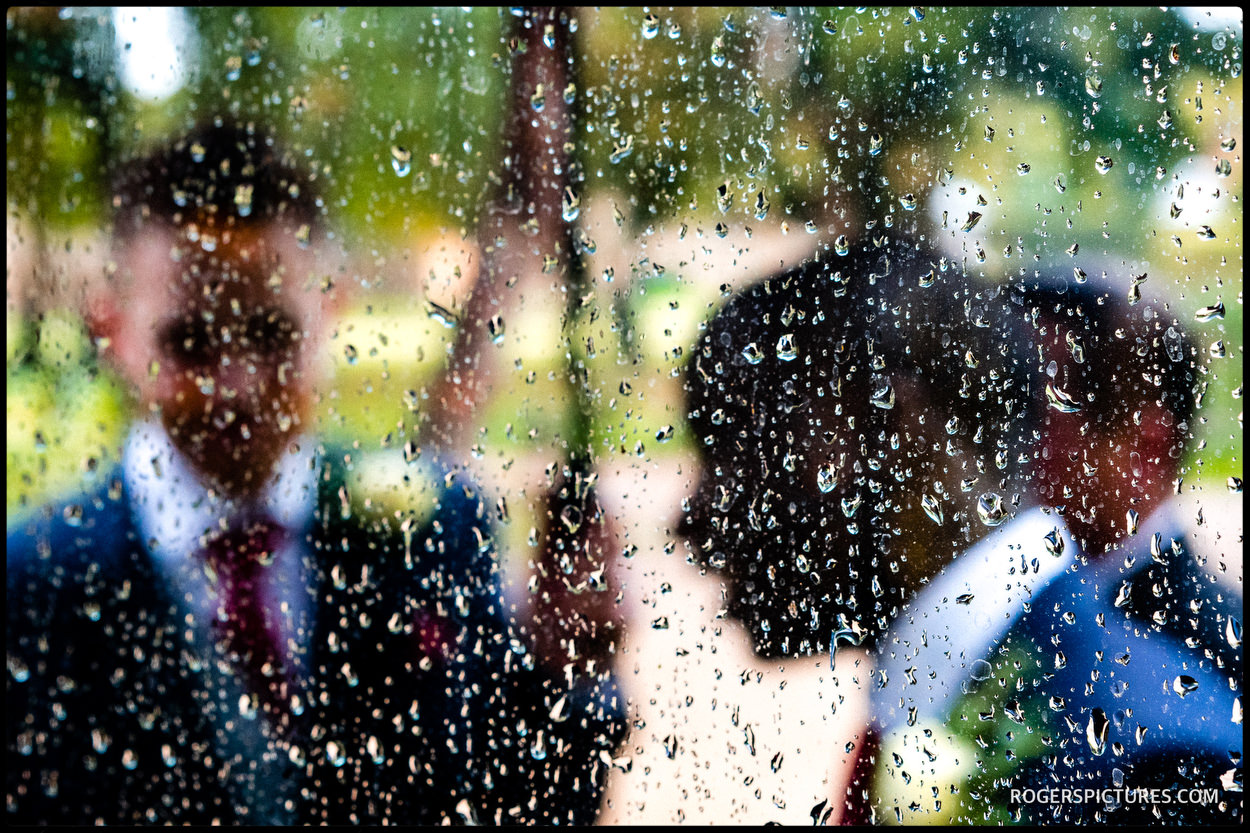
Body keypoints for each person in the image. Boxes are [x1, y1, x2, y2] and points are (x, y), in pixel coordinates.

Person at [6, 120, 622, 824]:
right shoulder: (32, 581)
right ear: (110, 329)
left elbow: (504, 799)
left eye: (273, 334)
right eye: (190, 343)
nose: (237, 385)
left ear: (331, 308)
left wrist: (570, 676)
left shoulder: (436, 526)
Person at [866, 275, 1243, 823]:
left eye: (1039, 405)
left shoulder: (1211, 663)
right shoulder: (984, 622)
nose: (999, 438)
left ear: (1146, 440)